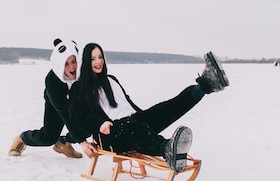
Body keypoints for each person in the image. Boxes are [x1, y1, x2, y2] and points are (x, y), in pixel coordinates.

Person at [68, 43, 229, 172]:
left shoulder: (111, 80)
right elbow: (76, 117)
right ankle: (167, 149)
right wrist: (98, 124)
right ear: (86, 62)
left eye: (100, 56)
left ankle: (205, 85)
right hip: (110, 134)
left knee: (165, 108)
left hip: (131, 121)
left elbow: (126, 103)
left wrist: (148, 116)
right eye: (92, 58)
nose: (98, 61)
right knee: (135, 127)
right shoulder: (80, 87)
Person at [8, 38, 85, 158]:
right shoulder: (52, 81)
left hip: (76, 99)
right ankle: (22, 138)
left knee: (89, 124)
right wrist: (82, 141)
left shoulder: (83, 72)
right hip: (56, 102)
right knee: (49, 137)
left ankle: (64, 143)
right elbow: (65, 114)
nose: (72, 67)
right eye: (66, 63)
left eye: (74, 61)